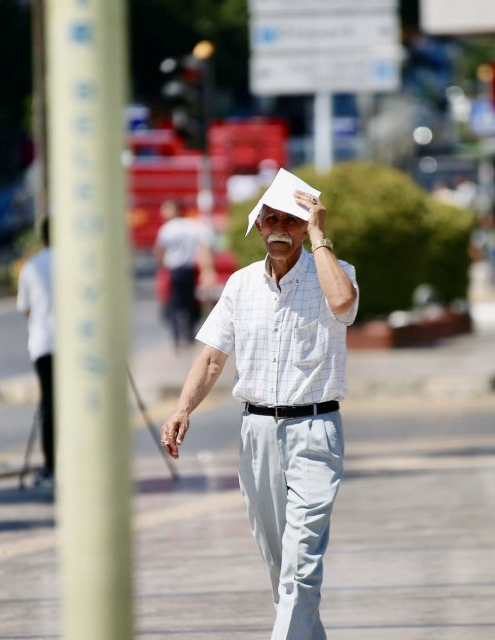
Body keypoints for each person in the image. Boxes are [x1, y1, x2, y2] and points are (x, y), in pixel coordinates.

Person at [160, 168, 359, 640]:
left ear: (306, 226)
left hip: (315, 431)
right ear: (258, 227)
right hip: (257, 436)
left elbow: (344, 305)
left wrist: (319, 238)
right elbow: (211, 358)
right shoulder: (241, 285)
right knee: (279, 564)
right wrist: (182, 408)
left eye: (290, 222)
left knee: (301, 561)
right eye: (270, 221)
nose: (278, 231)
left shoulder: (334, 270)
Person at [16, 219, 54, 489]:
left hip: (44, 345)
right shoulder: (83, 263)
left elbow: (25, 308)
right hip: (78, 347)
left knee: (50, 405)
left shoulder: (31, 266)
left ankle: (51, 466)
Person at [153, 200, 216, 351]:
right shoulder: (192, 226)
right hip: (190, 270)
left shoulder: (167, 229)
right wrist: (207, 269)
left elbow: (159, 250)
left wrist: (161, 266)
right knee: (191, 303)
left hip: (174, 270)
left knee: (174, 304)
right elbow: (204, 247)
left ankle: (176, 336)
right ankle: (189, 335)